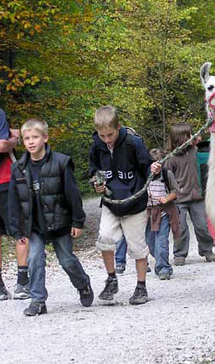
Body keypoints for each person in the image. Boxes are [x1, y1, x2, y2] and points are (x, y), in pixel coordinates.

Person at [8, 118, 94, 316]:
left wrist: (77, 221)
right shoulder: (18, 168)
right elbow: (14, 201)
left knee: (66, 260)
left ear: (45, 138)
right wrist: (17, 229)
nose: (31, 142)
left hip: (60, 222)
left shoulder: (61, 163)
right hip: (34, 225)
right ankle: (38, 301)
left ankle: (83, 284)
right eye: (26, 138)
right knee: (35, 259)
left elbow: (73, 195)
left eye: (35, 137)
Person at [89, 105, 161, 304]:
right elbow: (93, 169)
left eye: (110, 134)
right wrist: (97, 182)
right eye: (102, 135)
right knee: (105, 239)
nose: (106, 139)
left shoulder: (132, 142)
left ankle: (141, 287)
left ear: (118, 127)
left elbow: (146, 166)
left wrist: (153, 169)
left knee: (137, 247)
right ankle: (111, 279)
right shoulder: (97, 145)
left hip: (134, 203)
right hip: (111, 203)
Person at [165, 123, 215, 266]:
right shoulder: (170, 158)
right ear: (180, 138)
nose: (191, 137)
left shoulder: (195, 150)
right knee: (180, 228)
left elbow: (200, 140)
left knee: (201, 226)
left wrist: (196, 138)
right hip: (179, 199)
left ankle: (207, 250)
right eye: (188, 135)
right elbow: (167, 178)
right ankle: (180, 254)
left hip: (196, 197)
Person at [0, 108, 30, 301]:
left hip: (6, 181)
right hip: (5, 180)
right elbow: (2, 145)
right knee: (21, 230)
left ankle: (5, 287)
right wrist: (14, 140)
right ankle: (22, 282)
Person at [145, 148, 180, 280]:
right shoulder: (143, 175)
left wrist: (166, 198)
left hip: (164, 212)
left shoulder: (167, 174)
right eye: (153, 163)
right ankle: (160, 260)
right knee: (150, 241)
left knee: (161, 240)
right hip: (147, 213)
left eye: (159, 163)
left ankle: (163, 268)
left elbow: (176, 191)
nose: (156, 166)